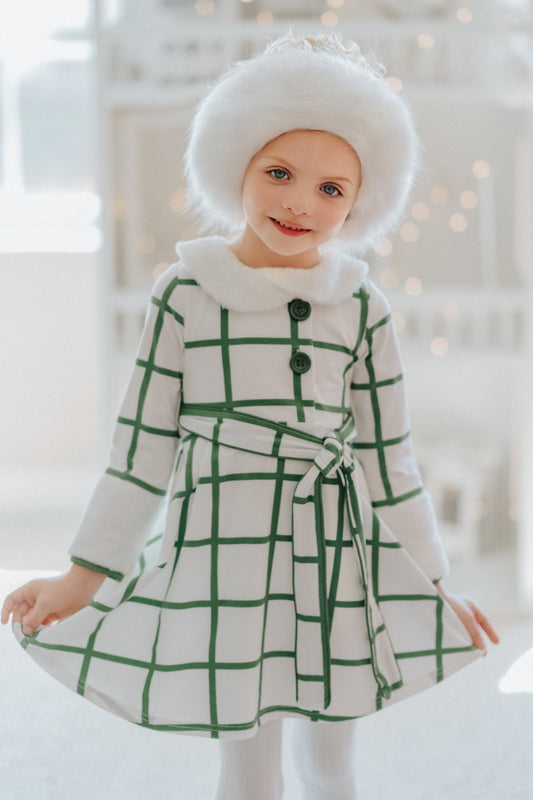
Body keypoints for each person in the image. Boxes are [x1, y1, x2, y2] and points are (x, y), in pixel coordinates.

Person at [1, 33, 499, 799]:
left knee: (333, 756)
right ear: (237, 166)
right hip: (221, 553)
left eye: (332, 189)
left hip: (336, 556)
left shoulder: (362, 305)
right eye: (279, 173)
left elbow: (387, 460)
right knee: (247, 759)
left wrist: (431, 582)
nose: (301, 202)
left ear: (360, 201)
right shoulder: (185, 293)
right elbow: (141, 452)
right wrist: (83, 574)